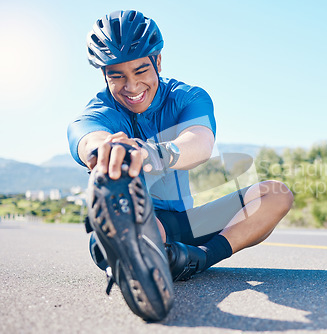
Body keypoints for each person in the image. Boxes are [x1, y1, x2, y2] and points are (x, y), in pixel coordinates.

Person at [67, 10, 294, 322]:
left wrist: (153, 153)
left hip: (190, 224)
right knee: (122, 198)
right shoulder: (101, 109)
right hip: (143, 216)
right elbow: (85, 134)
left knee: (277, 194)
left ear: (158, 62)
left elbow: (199, 142)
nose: (131, 87)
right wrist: (104, 149)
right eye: (116, 75)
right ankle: (133, 248)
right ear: (104, 74)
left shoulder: (187, 97)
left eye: (140, 70)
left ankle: (194, 260)